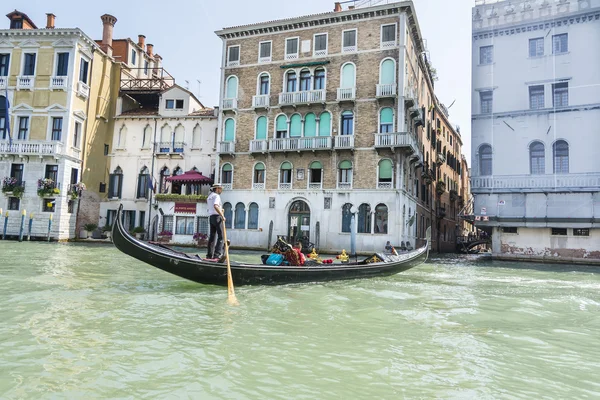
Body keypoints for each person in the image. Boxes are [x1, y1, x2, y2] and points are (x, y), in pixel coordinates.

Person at [206, 183, 225, 259]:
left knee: (212, 237)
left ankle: (209, 255)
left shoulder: (209, 196)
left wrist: (221, 209)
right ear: (217, 189)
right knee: (221, 236)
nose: (221, 190)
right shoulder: (217, 196)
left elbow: (212, 207)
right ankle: (217, 254)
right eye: (220, 189)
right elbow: (215, 206)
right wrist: (222, 215)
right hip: (217, 217)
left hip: (211, 217)